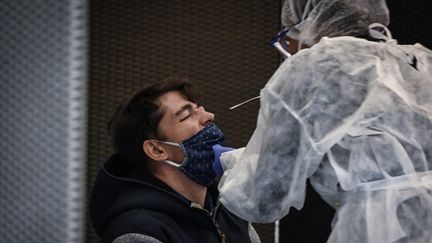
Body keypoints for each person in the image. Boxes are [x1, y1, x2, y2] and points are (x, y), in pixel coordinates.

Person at [216, 0, 432, 242]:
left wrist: (233, 165)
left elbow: (265, 200)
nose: (291, 48)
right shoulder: (420, 61)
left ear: (309, 23)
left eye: (288, 37)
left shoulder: (311, 67)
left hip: (380, 229)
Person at [90, 78, 261, 243]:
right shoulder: (138, 231)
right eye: (187, 115)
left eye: (200, 108)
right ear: (157, 149)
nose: (209, 116)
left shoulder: (232, 212)